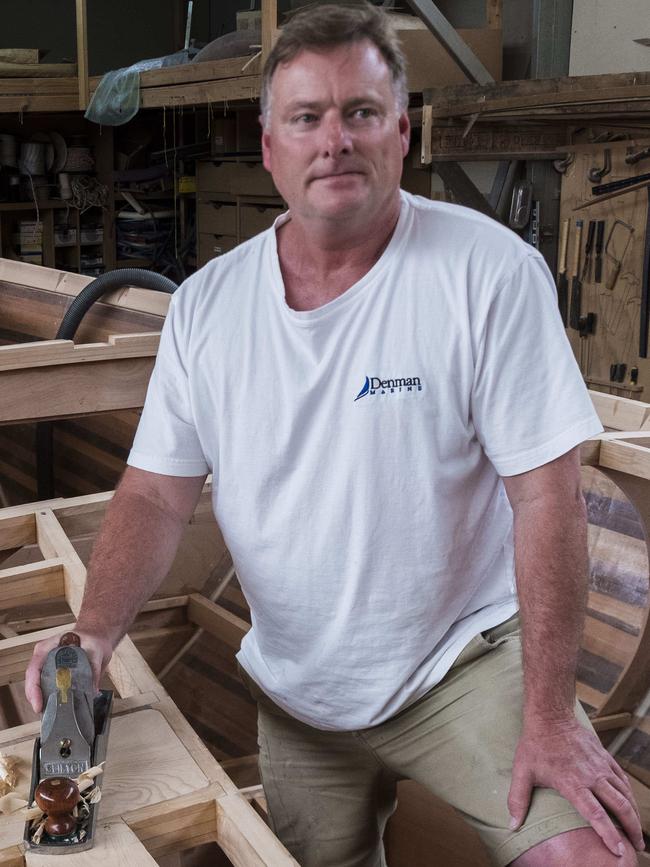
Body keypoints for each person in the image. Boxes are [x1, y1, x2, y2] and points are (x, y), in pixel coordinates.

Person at [26, 4, 643, 865]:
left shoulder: (488, 273)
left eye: (360, 112)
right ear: (270, 142)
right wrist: (93, 633)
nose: (335, 140)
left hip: (463, 665)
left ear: (401, 129)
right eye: (307, 117)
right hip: (300, 688)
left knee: (591, 856)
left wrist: (548, 716)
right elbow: (156, 495)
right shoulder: (209, 305)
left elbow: (547, 495)